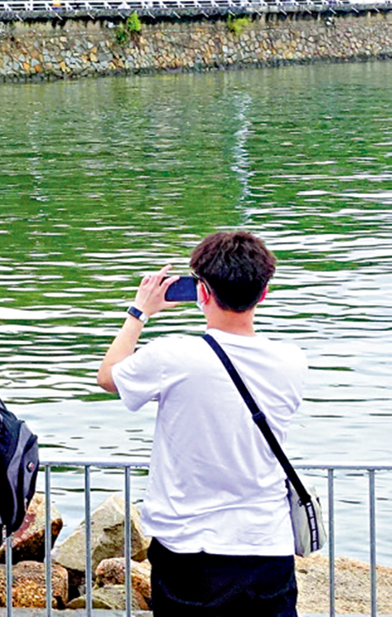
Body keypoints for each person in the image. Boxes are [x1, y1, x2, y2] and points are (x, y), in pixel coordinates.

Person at [97, 231, 307, 616]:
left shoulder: (173, 355)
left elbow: (109, 376)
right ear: (263, 293)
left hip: (190, 550)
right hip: (267, 545)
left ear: (202, 293)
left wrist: (139, 312)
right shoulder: (292, 362)